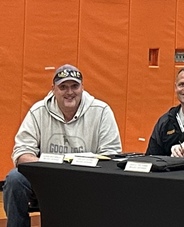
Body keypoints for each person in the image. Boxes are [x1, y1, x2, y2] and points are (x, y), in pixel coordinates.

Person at [5, 64, 123, 227]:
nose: (69, 92)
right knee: (14, 179)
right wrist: (47, 170)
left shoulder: (101, 111)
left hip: (87, 181)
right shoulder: (38, 111)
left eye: (74, 86)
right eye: (63, 87)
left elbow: (112, 155)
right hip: (46, 181)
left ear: (82, 88)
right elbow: (22, 152)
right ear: (53, 89)